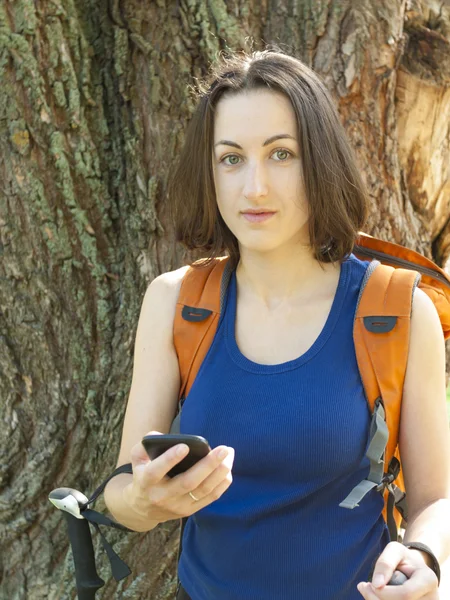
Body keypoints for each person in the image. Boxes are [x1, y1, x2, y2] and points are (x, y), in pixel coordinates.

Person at [104, 48, 450, 599]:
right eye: (231, 158)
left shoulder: (399, 309)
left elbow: (435, 499)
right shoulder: (175, 302)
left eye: (281, 154)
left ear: (320, 160)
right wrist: (143, 500)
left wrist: (425, 558)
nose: (255, 187)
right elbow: (121, 490)